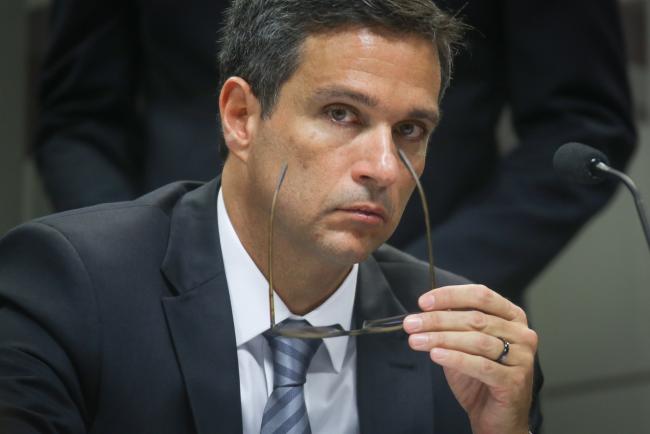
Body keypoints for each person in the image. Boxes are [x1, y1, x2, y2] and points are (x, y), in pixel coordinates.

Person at [3, 1, 542, 433]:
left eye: (410, 131)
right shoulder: (69, 286)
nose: (384, 169)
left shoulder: (465, 353)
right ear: (240, 117)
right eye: (341, 114)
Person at [34, 0, 636, 307]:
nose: (376, 161)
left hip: (425, 288)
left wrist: (419, 284)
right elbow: (78, 115)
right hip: (167, 288)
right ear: (237, 114)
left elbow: (582, 117)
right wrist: (140, 266)